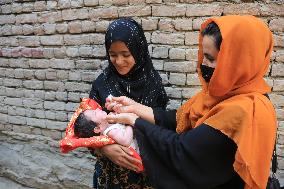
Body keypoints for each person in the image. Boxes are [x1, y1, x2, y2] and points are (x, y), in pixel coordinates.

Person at [105, 15, 277, 189]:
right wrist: (135, 108)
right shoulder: (220, 96)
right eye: (203, 55)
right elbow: (178, 119)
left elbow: (183, 151)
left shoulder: (244, 110)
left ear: (237, 61)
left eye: (210, 58)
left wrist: (136, 122)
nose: (202, 63)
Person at [89, 18, 169, 188]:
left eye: (126, 54)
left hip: (144, 176)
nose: (119, 61)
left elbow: (160, 130)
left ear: (138, 51)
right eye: (112, 55)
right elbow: (85, 128)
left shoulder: (152, 84)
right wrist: (104, 149)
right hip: (108, 177)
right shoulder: (102, 84)